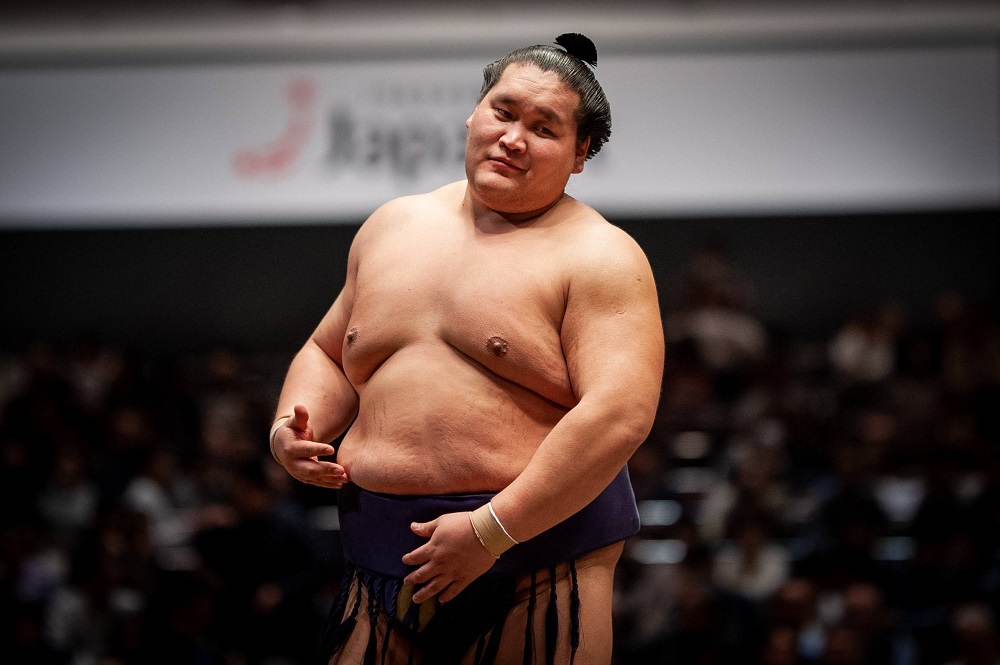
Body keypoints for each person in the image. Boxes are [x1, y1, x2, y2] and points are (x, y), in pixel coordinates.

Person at [269, 33, 664, 665]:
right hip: (378, 553)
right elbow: (329, 352)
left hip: (537, 562)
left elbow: (619, 414)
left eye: (543, 128)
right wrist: (291, 427)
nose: (513, 138)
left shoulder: (601, 256)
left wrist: (491, 531)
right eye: (503, 113)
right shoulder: (391, 226)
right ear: (474, 114)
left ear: (580, 153)